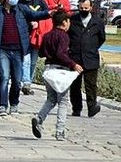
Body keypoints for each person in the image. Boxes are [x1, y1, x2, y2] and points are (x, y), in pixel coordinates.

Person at [0, 0, 50, 116]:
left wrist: (49, 12)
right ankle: (2, 105)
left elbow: (36, 14)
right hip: (2, 49)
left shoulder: (22, 10)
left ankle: (14, 104)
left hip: (18, 50)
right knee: (5, 76)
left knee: (17, 79)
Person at [32, 12, 83, 141]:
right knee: (63, 101)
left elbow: (42, 53)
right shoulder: (64, 36)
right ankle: (60, 130)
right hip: (61, 71)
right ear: (65, 22)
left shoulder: (47, 35)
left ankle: (39, 119)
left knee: (51, 99)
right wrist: (73, 64)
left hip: (49, 70)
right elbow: (61, 54)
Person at [68, 0, 105, 118]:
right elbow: (67, 36)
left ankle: (92, 107)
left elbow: (101, 38)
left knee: (91, 85)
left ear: (91, 8)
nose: (83, 10)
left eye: (86, 8)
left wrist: (92, 47)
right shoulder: (72, 20)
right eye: (81, 8)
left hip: (91, 57)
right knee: (75, 86)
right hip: (75, 58)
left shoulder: (97, 21)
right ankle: (76, 108)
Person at [19, 0, 50, 95]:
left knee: (32, 62)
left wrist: (38, 24)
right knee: (25, 61)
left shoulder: (40, 2)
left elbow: (47, 16)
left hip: (37, 36)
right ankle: (25, 82)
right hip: (24, 35)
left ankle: (28, 82)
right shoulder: (20, 2)